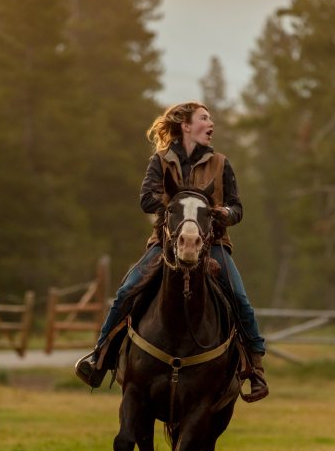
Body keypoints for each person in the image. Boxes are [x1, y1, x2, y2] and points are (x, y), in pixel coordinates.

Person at [80, 101, 268, 401]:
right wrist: (178, 210)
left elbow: (237, 207)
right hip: (165, 244)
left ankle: (254, 368)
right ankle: (100, 357)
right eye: (204, 118)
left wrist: (223, 214)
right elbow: (146, 200)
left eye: (211, 119)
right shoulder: (160, 161)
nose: (211, 123)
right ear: (186, 126)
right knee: (127, 290)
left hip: (213, 245)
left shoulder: (221, 163)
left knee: (240, 300)